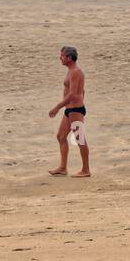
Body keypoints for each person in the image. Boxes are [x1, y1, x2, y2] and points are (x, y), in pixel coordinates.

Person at [48, 45, 90, 177]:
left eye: (62, 55)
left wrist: (57, 107)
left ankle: (86, 170)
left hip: (75, 110)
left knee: (80, 139)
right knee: (61, 137)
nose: (60, 58)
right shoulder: (71, 71)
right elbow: (81, 91)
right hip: (70, 110)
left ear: (69, 58)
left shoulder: (76, 72)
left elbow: (72, 95)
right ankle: (62, 167)